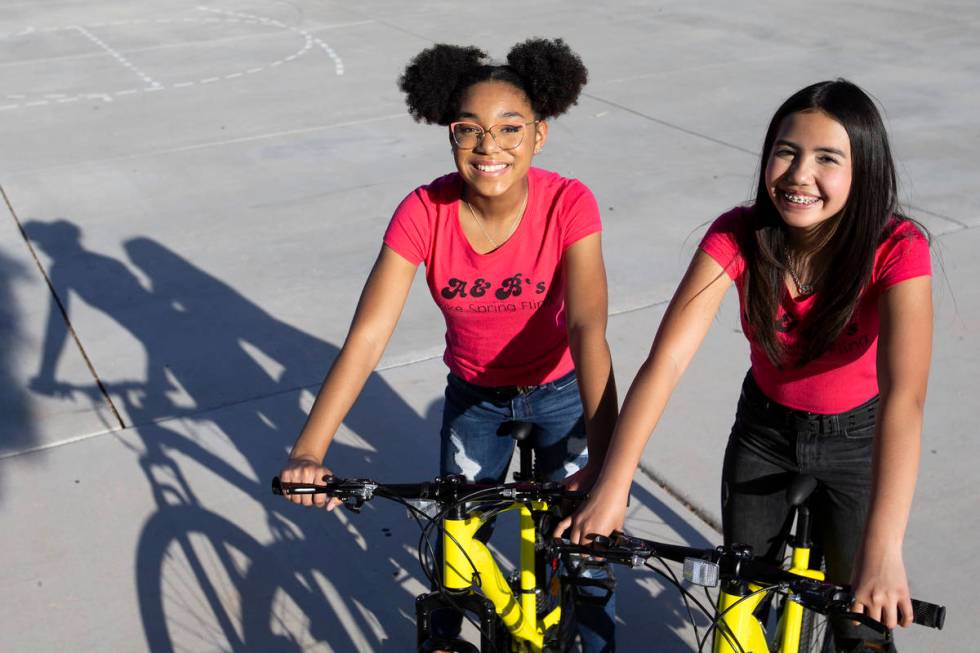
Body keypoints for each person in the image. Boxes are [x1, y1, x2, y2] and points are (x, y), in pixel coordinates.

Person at [559, 79, 931, 652]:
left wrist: (884, 552)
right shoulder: (738, 234)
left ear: (865, 171)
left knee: (861, 625)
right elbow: (667, 360)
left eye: (827, 158)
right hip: (764, 432)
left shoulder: (897, 246)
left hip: (859, 438)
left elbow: (904, 395)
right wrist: (614, 482)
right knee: (740, 607)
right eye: (786, 151)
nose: (798, 175)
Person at [279, 38, 618, 652]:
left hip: (561, 394)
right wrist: (310, 446)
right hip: (476, 401)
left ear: (540, 135)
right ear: (450, 136)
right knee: (456, 557)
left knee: (584, 562)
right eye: (469, 131)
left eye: (510, 128)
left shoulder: (569, 202)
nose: (490, 147)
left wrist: (607, 457)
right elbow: (368, 334)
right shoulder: (423, 210)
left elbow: (587, 327)